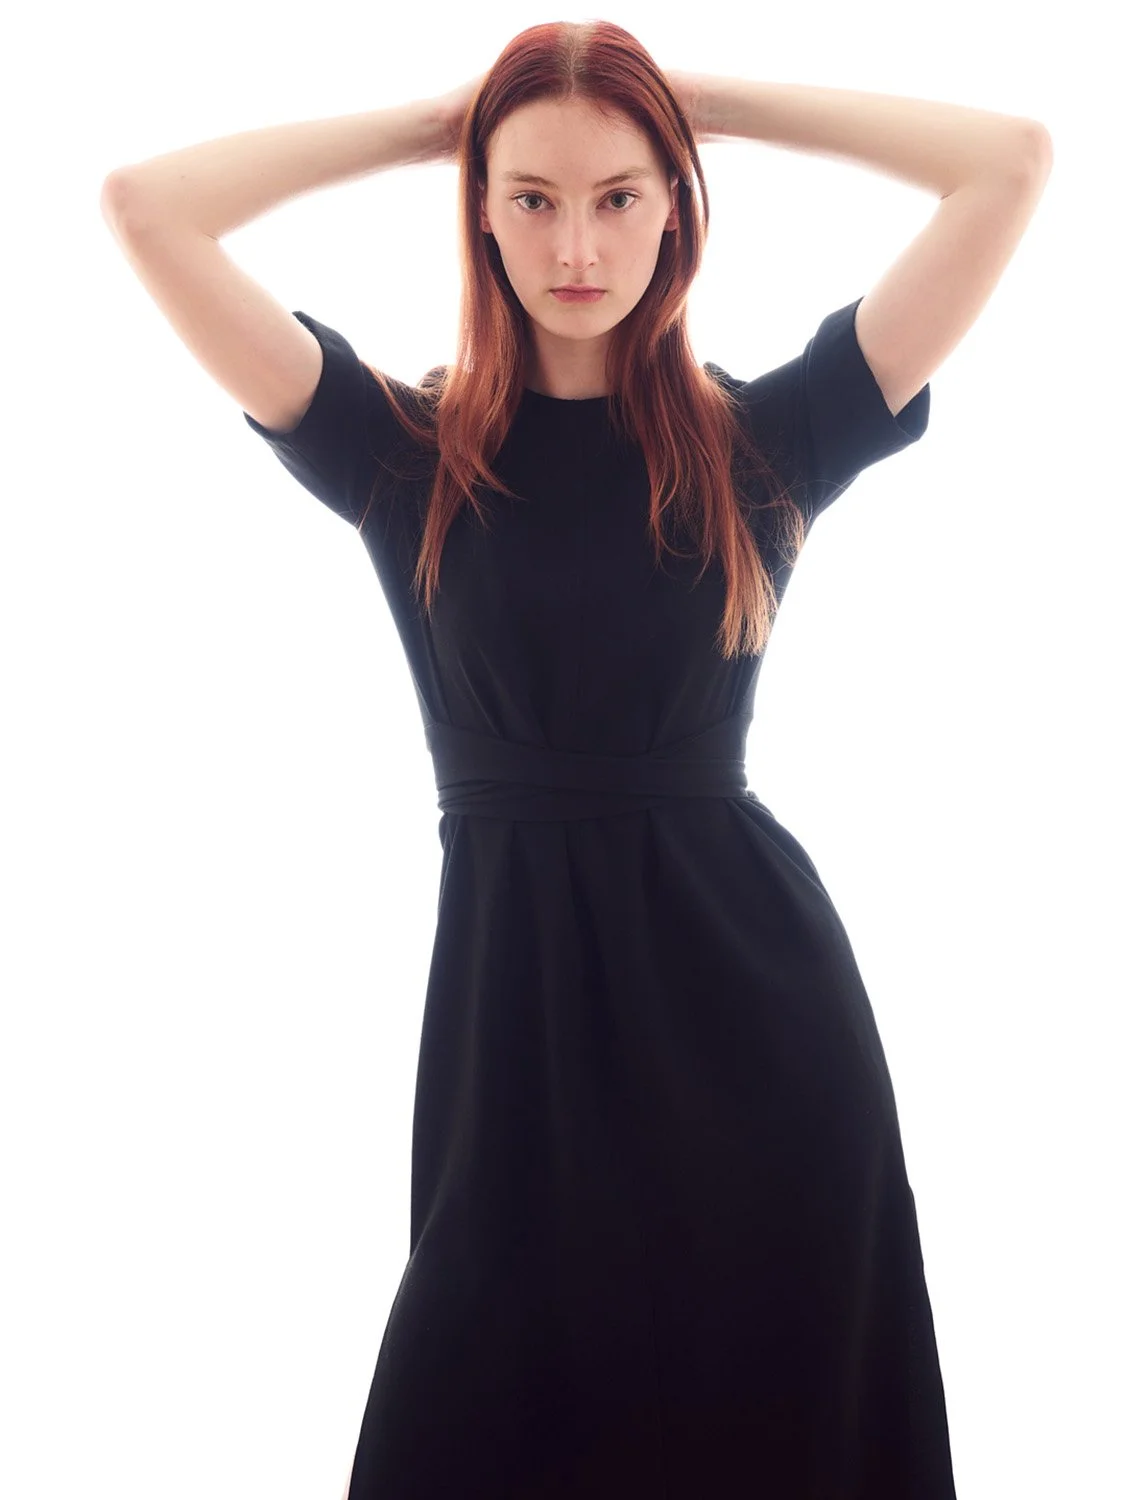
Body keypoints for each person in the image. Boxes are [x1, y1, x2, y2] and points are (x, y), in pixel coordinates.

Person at [99, 21, 994, 1499]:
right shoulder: (402, 453)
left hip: (765, 1045)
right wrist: (435, 123)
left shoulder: (767, 441)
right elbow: (148, 208)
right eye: (529, 197)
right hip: (512, 1053)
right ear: (478, 208)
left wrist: (704, 106)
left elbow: (1005, 169)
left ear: (678, 204)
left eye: (622, 195)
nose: (577, 241)